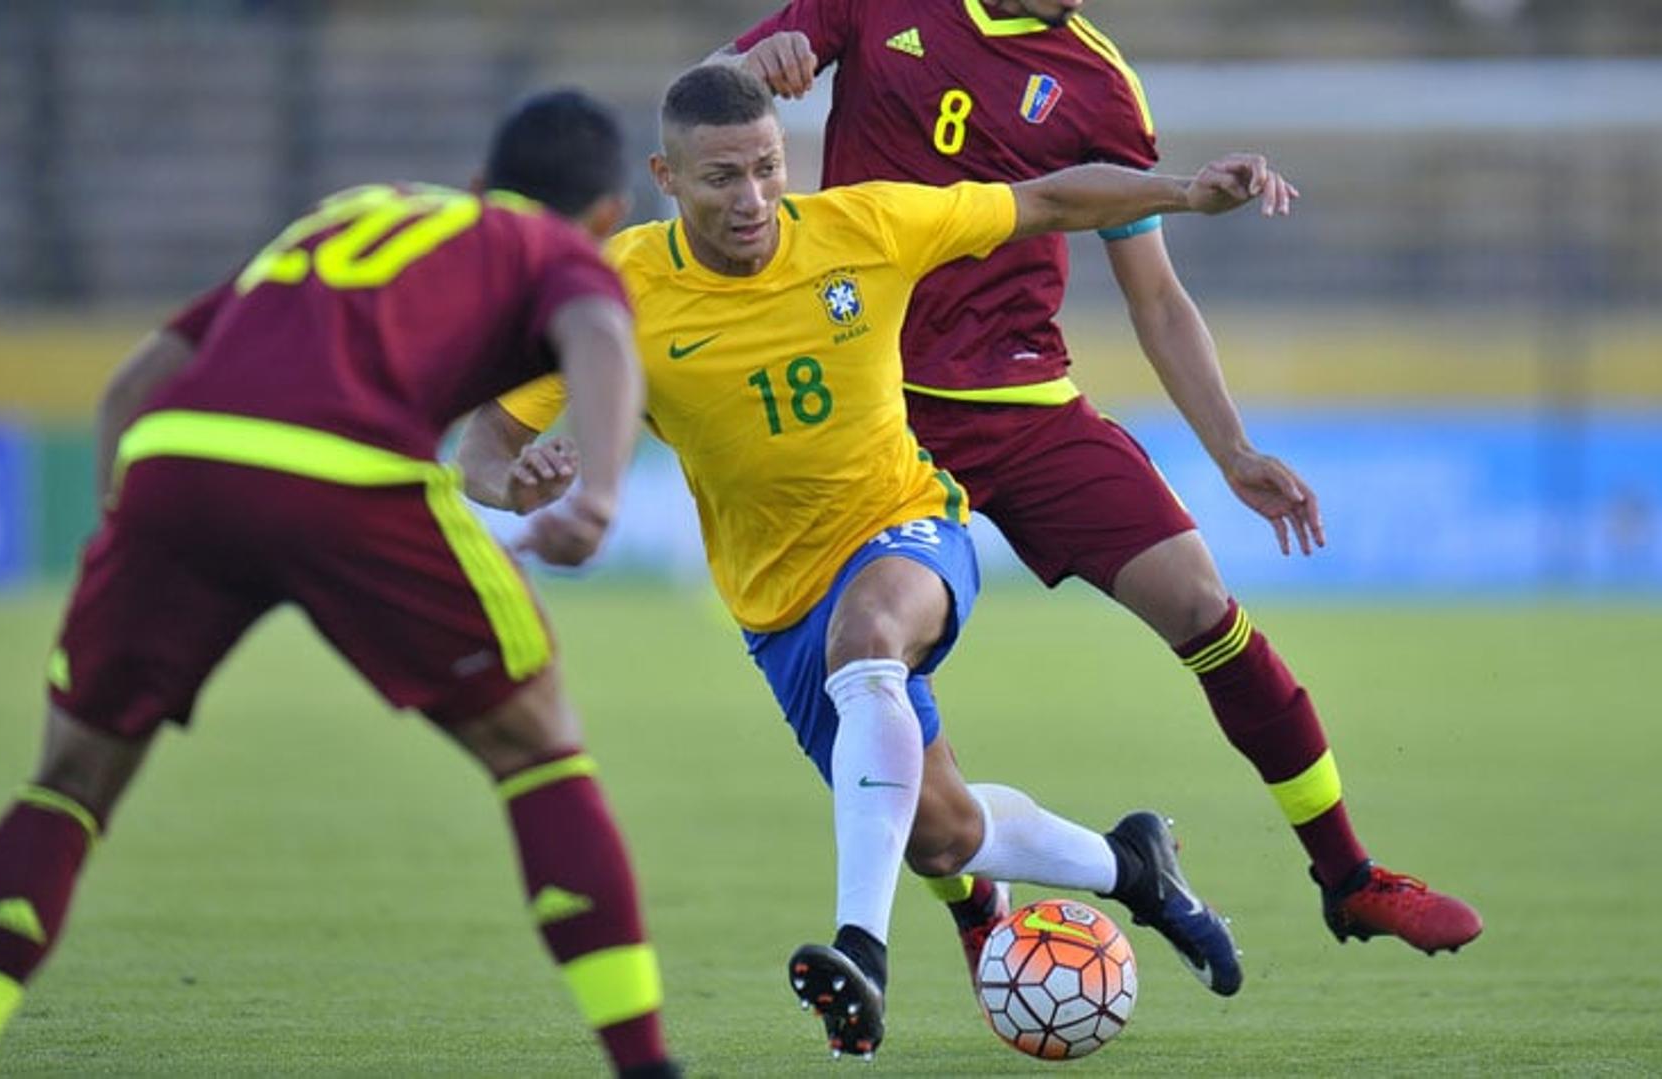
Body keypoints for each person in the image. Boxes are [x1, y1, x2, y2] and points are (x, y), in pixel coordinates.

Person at [458, 64, 1298, 1059]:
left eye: (768, 167)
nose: (753, 197)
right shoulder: (620, 293)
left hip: (908, 525)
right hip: (777, 604)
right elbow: (485, 445)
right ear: (666, 177)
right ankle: (1132, 868)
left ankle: (864, 945)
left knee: (869, 639)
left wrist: (1183, 193)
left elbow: (1049, 199)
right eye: (722, 177)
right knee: (942, 831)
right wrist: (522, 481)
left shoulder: (865, 226)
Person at [0, 91, 681, 1079]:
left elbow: (132, 383)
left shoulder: (343, 216)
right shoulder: (550, 247)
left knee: (69, 781)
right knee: (540, 747)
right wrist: (601, 491)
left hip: (176, 460)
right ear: (603, 214)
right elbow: (599, 328)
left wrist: (129, 538)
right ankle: (644, 1061)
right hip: (347, 472)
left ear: (473, 185)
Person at [724, 0, 1482, 958]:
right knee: (880, 688)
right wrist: (763, 60)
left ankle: (1350, 875)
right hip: (877, 412)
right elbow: (716, 98)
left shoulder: (1098, 81)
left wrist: (1233, 449)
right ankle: (974, 903)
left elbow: (1156, 295)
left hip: (1022, 401)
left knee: (1203, 603)